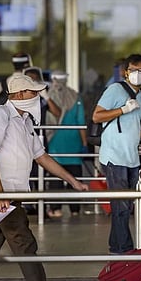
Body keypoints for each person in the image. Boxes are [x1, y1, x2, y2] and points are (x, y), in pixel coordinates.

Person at [0, 74, 89, 281]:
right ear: (18, 95)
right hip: (4, 195)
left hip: (12, 196)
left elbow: (42, 157)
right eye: (32, 92)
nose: (37, 96)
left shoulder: (25, 121)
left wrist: (73, 180)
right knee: (25, 244)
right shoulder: (1, 115)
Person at [92, 53, 141, 254]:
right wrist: (122, 110)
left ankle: (116, 246)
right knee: (121, 207)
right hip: (114, 156)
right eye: (133, 70)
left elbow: (137, 124)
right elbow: (97, 116)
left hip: (132, 157)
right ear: (125, 72)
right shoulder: (115, 90)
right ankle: (125, 250)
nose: (137, 74)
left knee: (126, 206)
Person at [45, 70, 88, 218]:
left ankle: (55, 209)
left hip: (55, 142)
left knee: (55, 176)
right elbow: (81, 122)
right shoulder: (75, 96)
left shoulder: (48, 95)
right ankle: (75, 209)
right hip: (74, 142)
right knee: (74, 175)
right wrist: (84, 143)